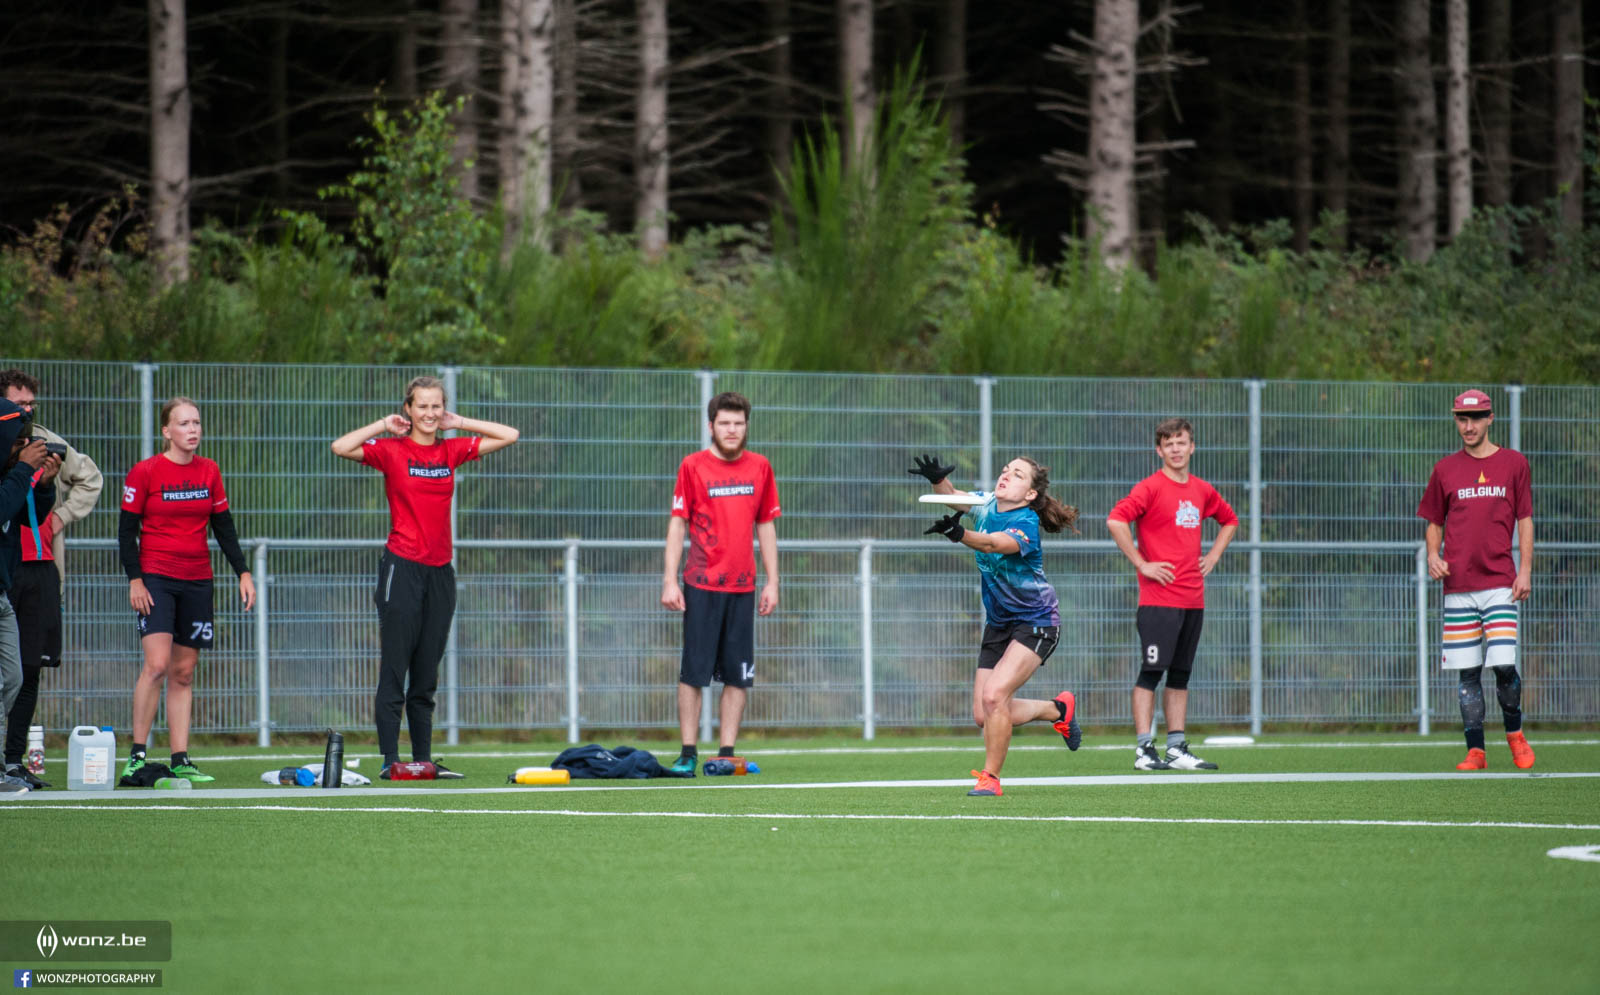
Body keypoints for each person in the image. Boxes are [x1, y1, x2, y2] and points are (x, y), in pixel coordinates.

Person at [332, 375, 519, 780]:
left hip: (440, 574)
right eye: (422, 406)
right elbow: (340, 447)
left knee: (427, 672)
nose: (430, 414)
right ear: (409, 410)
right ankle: (389, 759)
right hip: (402, 568)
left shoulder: (452, 450)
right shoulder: (391, 451)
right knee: (395, 668)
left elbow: (510, 434)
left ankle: (423, 759)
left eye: (436, 406)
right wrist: (383, 425)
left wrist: (462, 422)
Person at [914, 452, 1083, 797]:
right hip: (999, 623)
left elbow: (993, 544)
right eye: (1006, 470)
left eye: (1017, 475)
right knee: (983, 713)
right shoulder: (987, 503)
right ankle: (1057, 709)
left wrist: (959, 534)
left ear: (1030, 494)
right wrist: (936, 479)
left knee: (995, 698)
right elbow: (954, 497)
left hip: (1036, 622)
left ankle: (990, 778)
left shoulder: (1026, 524)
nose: (1006, 475)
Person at [119, 397, 256, 783]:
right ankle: (138, 755)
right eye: (183, 424)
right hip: (156, 578)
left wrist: (243, 573)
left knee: (183, 671)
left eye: (196, 422)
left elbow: (223, 528)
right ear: (167, 431)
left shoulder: (209, 471)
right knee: (158, 665)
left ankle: (180, 758)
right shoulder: (145, 472)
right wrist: (135, 579)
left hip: (198, 579)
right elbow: (126, 533)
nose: (192, 430)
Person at [1106, 417, 1238, 772]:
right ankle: (1144, 750)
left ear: (1192, 447)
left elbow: (1230, 520)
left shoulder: (1202, 490)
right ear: (1159, 450)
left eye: (1182, 442)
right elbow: (1116, 520)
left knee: (1181, 674)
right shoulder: (1149, 488)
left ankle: (1177, 748)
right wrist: (1141, 563)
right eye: (1169, 444)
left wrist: (1212, 556)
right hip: (1158, 600)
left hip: (1193, 598)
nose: (1176, 449)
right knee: (1152, 672)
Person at [661, 392, 780, 775]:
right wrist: (669, 580)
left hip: (743, 587)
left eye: (739, 423)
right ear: (711, 426)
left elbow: (766, 525)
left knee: (738, 673)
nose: (732, 430)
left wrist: (773, 581)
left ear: (747, 426)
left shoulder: (760, 467)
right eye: (725, 423)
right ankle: (688, 752)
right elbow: (678, 523)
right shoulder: (692, 466)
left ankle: (726, 750)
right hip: (701, 583)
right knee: (693, 672)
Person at [1416, 389, 1534, 771]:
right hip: (1459, 587)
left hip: (1501, 581)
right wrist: (1434, 555)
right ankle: (1476, 751)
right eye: (1462, 419)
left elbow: (1525, 520)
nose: (1468, 426)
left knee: (1503, 665)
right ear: (1456, 421)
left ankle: (1515, 735)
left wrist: (1526, 569)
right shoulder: (1444, 469)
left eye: (1476, 419)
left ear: (1490, 419)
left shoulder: (1515, 464)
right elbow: (1434, 522)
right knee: (1467, 672)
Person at [0, 369, 104, 789]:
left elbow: (90, 478)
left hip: (40, 568)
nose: (25, 412)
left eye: (30, 405)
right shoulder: (6, 443)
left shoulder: (43, 439)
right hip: (9, 567)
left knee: (25, 670)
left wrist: (56, 510)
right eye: (17, 404)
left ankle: (12, 762)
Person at [0, 400, 61, 795]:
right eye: (19, 439)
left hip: (0, 593)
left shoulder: (11, 473)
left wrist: (44, 484)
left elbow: (27, 517)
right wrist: (23, 467)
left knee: (14, 677)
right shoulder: (11, 471)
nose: (25, 444)